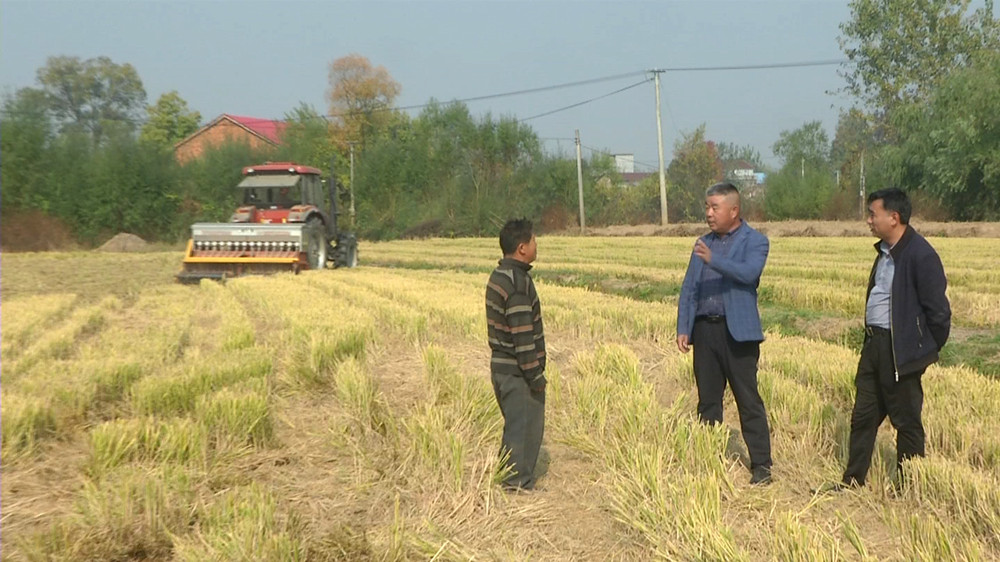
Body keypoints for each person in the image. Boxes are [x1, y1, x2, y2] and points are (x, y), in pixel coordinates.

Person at [827, 188, 951, 492]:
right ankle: (852, 481)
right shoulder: (884, 252)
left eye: (873, 214)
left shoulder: (921, 255)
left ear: (893, 218)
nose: (868, 220)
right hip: (874, 346)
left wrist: (922, 350)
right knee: (863, 417)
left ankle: (909, 489)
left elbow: (939, 314)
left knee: (906, 422)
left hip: (902, 351)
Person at [676, 182, 773, 485]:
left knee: (748, 400)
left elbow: (748, 274)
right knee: (707, 400)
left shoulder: (755, 241)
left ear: (734, 210)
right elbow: (689, 288)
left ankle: (761, 465)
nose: (708, 213)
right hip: (705, 331)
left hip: (738, 334)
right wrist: (684, 326)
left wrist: (713, 260)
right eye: (707, 207)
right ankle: (708, 457)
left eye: (714, 207)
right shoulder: (703, 243)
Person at [485, 218, 547, 490]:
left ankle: (510, 480)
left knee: (514, 428)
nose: (537, 245)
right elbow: (522, 337)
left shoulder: (498, 276)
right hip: (517, 373)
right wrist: (535, 376)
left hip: (500, 369)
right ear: (522, 247)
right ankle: (515, 486)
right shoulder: (518, 283)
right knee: (523, 431)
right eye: (534, 240)